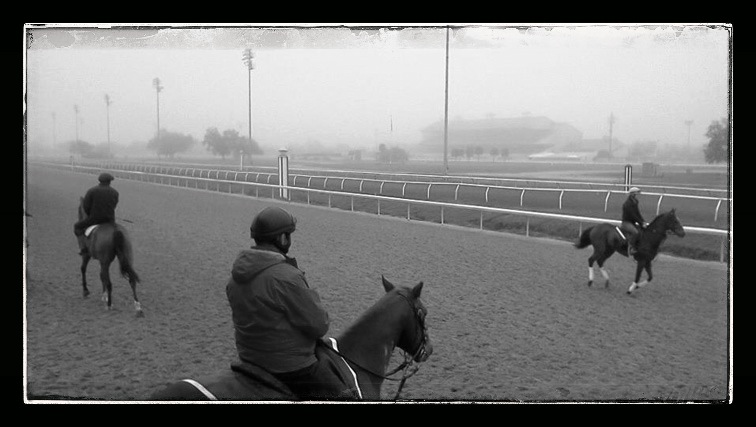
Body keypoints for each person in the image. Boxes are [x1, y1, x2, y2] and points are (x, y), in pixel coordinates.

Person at [225, 206, 349, 400]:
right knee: (345, 397)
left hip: (249, 359)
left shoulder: (235, 278)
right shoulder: (286, 277)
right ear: (282, 238)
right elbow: (319, 325)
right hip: (289, 366)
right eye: (288, 235)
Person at [73, 172, 119, 256]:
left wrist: (90, 214)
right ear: (109, 182)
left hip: (94, 219)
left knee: (77, 226)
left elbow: (86, 206)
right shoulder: (115, 192)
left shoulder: (92, 191)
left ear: (100, 181)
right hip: (110, 220)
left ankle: (83, 248)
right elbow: (114, 205)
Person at [621, 186, 647, 256]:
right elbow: (633, 215)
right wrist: (641, 223)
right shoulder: (627, 204)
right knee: (636, 232)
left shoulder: (635, 202)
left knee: (642, 232)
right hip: (626, 223)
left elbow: (638, 213)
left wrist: (643, 221)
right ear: (632, 194)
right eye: (636, 194)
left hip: (632, 222)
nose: (636, 195)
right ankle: (631, 248)